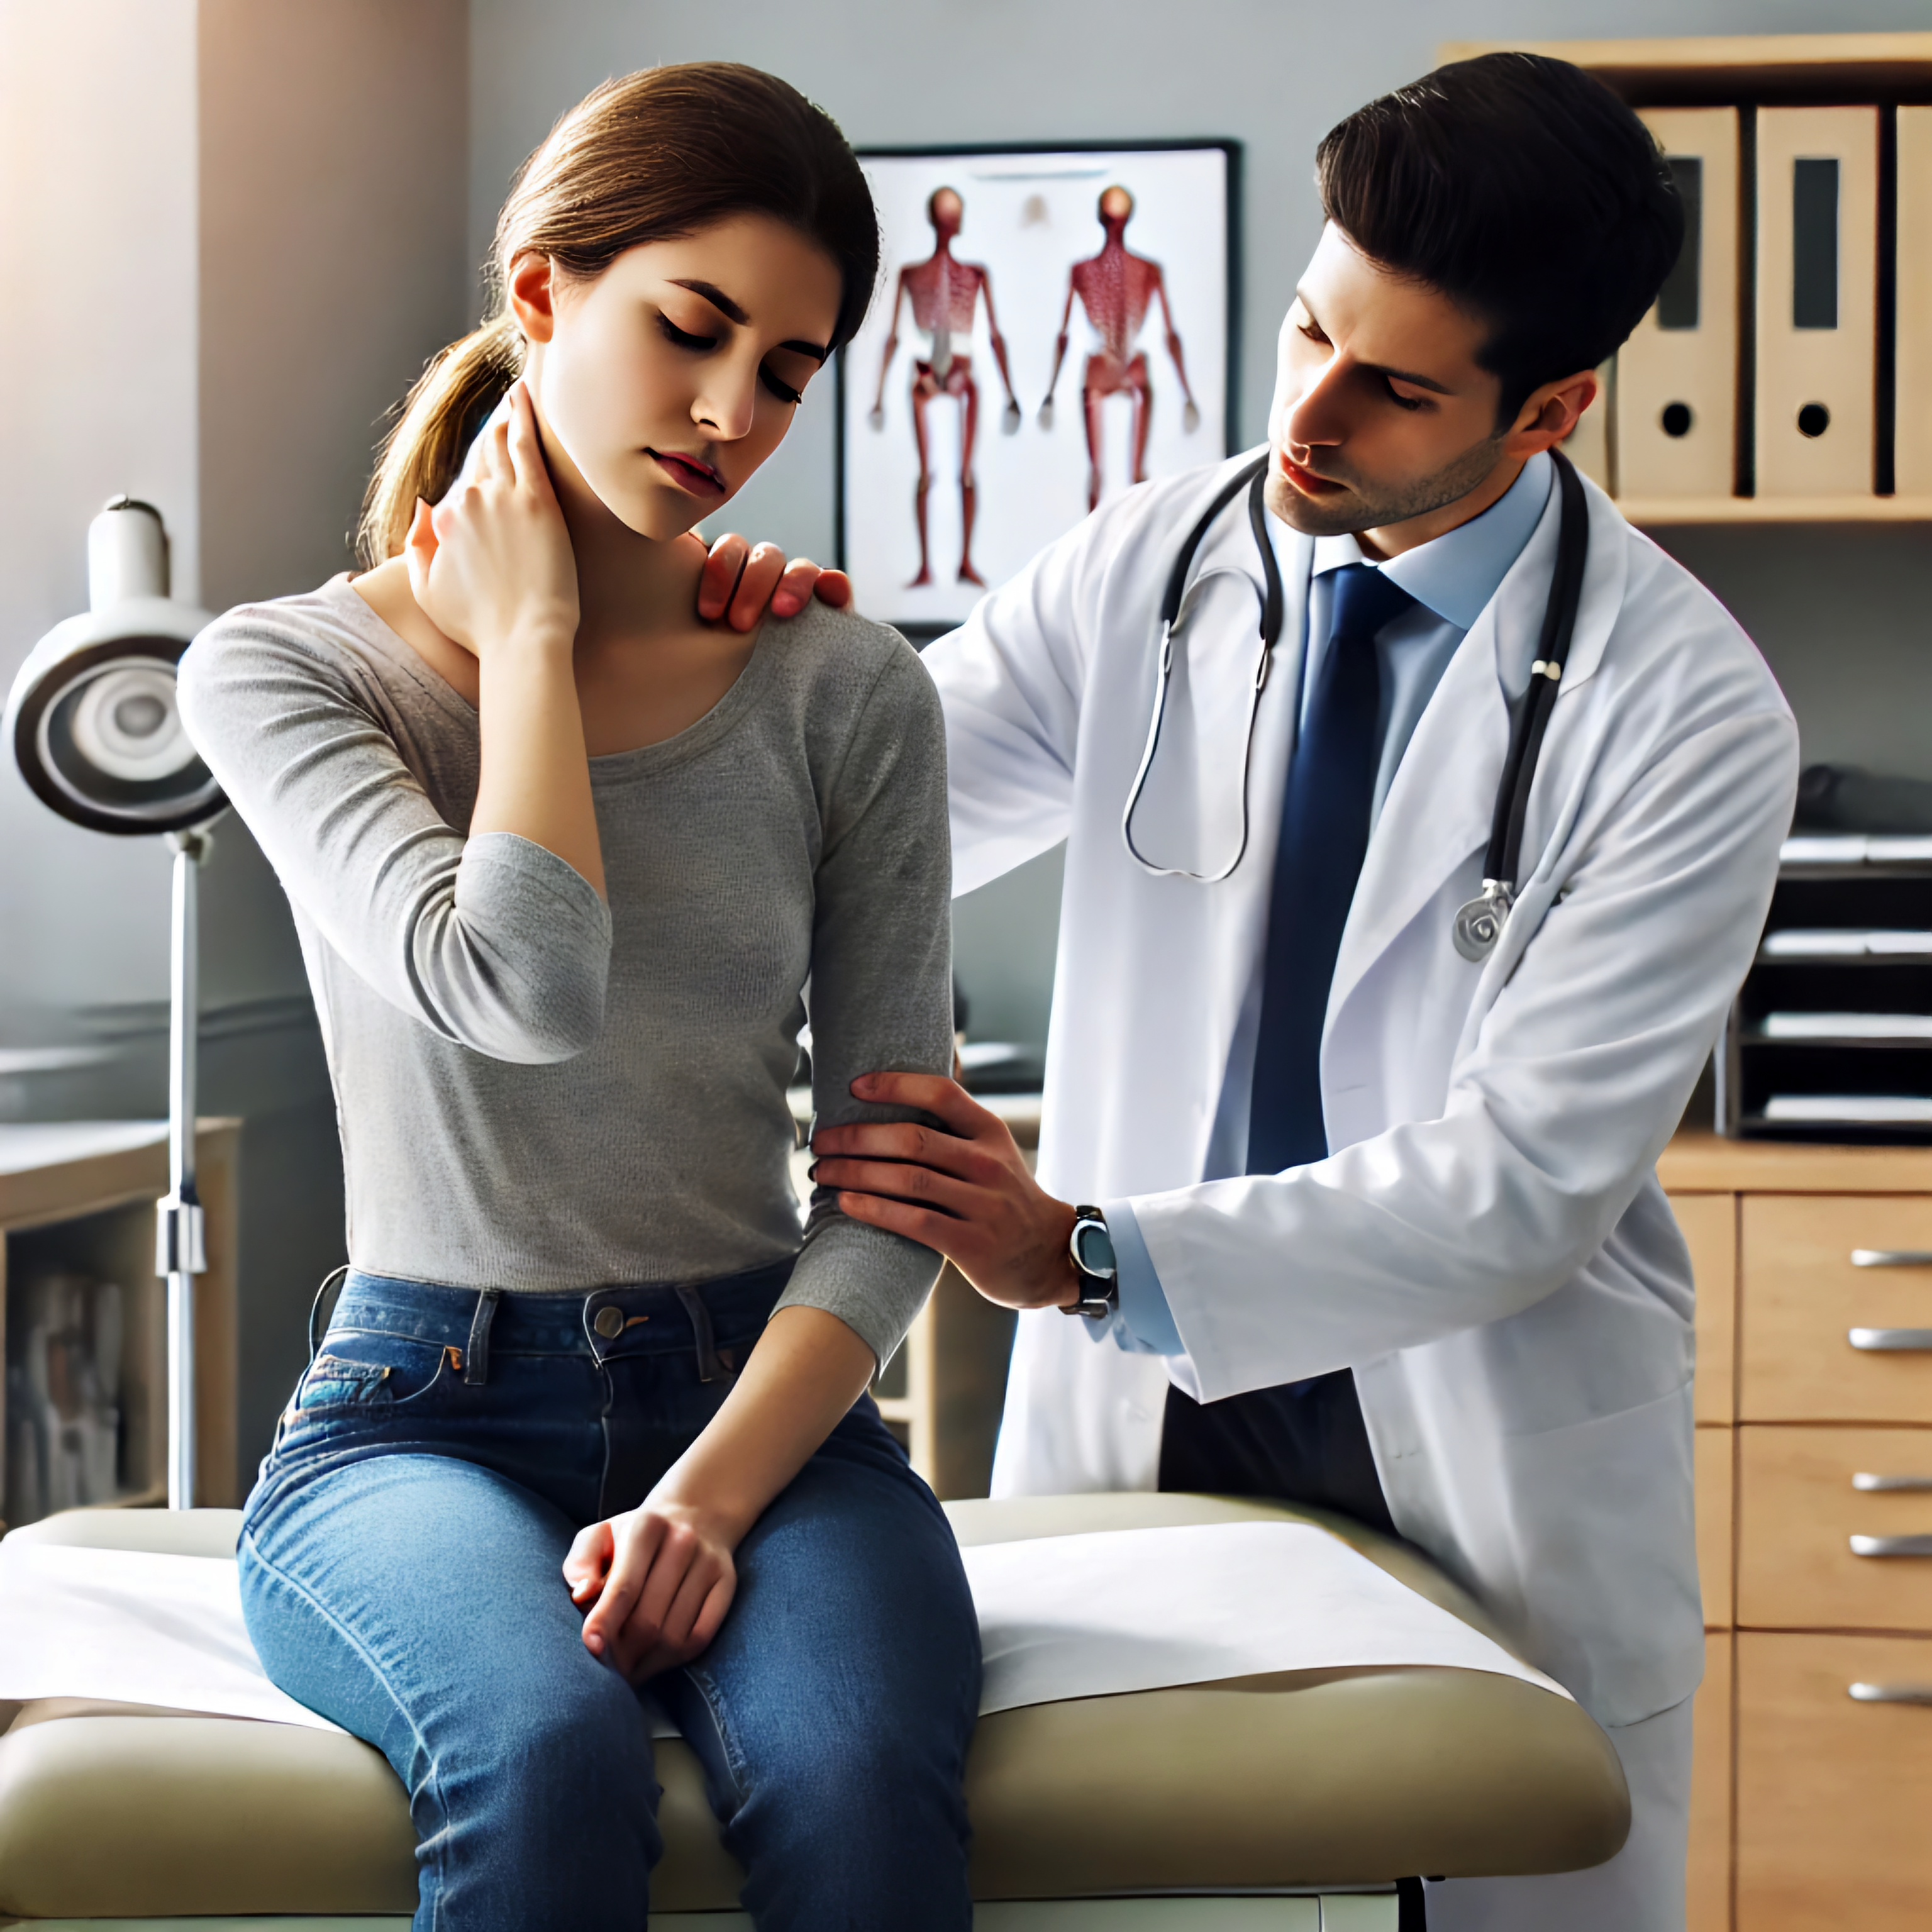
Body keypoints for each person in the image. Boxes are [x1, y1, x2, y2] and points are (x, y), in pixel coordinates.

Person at [719, 54, 1799, 1932]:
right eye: (1310, 325)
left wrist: (1081, 1256)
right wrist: (750, 675)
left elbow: (1526, 1179)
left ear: (1552, 408)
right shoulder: (1160, 565)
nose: (1306, 410)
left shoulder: (1685, 714)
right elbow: (870, 824)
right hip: (1153, 1419)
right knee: (1131, 1896)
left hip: (1476, 1426)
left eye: (1393, 385)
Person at [177, 64, 977, 1932]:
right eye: (689, 331)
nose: (731, 415)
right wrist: (535, 633)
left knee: (859, 1784)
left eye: (788, 370)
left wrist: (709, 1496)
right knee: (544, 1759)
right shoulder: (288, 674)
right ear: (542, 296)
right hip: (415, 1419)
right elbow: (514, 987)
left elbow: (894, 1189)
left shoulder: (844, 688)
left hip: (767, 1400)